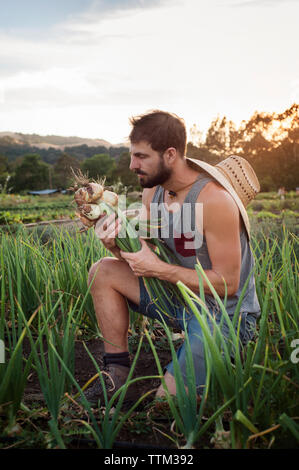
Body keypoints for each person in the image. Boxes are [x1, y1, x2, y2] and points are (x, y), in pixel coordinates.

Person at [80, 110, 261, 405]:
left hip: (225, 315)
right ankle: (117, 372)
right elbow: (147, 257)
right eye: (132, 155)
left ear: (170, 154)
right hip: (179, 297)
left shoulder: (214, 200)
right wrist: (115, 247)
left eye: (141, 157)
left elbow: (228, 285)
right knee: (103, 271)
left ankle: (221, 354)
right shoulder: (153, 192)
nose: (132, 165)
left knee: (169, 404)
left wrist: (159, 269)